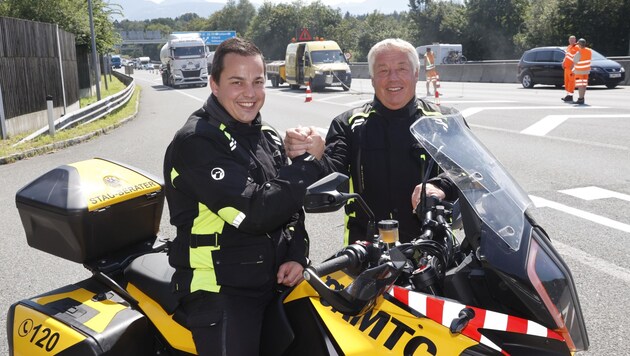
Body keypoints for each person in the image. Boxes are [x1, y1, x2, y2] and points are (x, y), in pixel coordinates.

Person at [163, 37, 325, 356]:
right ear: (214, 84)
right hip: (220, 288)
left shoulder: (262, 134)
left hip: (272, 277)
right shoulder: (197, 142)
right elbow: (254, 212)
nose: (250, 93)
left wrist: (296, 252)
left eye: (257, 81)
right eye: (237, 82)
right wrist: (308, 164)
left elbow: (288, 205)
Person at [285, 38, 457, 245]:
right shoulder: (348, 124)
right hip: (367, 251)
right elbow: (330, 180)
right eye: (383, 70)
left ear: (416, 73)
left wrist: (441, 186)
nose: (393, 78)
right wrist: (313, 155)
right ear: (372, 78)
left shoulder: (445, 121)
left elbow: (474, 174)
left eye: (401, 69)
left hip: (433, 248)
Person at [572, 38, 592, 105]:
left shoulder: (579, 52)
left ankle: (580, 99)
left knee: (580, 85)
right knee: (584, 85)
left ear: (580, 45)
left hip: (579, 71)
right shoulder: (589, 51)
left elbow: (574, 61)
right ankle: (582, 98)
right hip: (586, 71)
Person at [561, 35, 579, 102]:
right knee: (567, 82)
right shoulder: (568, 47)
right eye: (570, 40)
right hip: (566, 67)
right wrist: (563, 62)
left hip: (572, 68)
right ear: (568, 40)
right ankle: (568, 95)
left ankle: (570, 96)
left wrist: (573, 65)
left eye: (573, 40)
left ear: (575, 40)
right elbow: (566, 56)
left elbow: (578, 57)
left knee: (571, 82)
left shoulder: (577, 47)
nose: (571, 41)